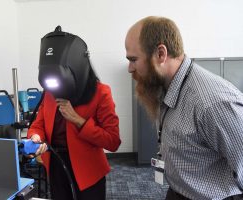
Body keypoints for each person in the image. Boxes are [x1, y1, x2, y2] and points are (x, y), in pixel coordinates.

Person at [125, 16, 243, 200]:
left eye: (133, 59)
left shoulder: (213, 103)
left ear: (161, 54)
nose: (130, 68)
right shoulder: (164, 86)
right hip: (178, 191)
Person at [27, 40, 121, 199]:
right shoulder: (50, 92)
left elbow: (113, 141)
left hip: (89, 171)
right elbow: (38, 125)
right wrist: (35, 137)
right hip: (56, 165)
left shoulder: (101, 92)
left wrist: (78, 120)